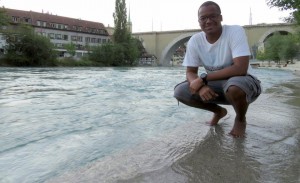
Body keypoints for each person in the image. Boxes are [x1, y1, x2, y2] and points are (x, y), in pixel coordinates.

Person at [174, 1, 261, 137]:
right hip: (218, 85)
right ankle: (219, 111)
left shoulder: (235, 31)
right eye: (203, 18)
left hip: (245, 84)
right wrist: (200, 87)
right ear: (199, 22)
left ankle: (240, 119)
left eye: (213, 16)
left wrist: (203, 79)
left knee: (234, 87)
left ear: (220, 17)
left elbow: (241, 68)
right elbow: (190, 72)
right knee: (180, 92)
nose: (208, 21)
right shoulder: (195, 41)